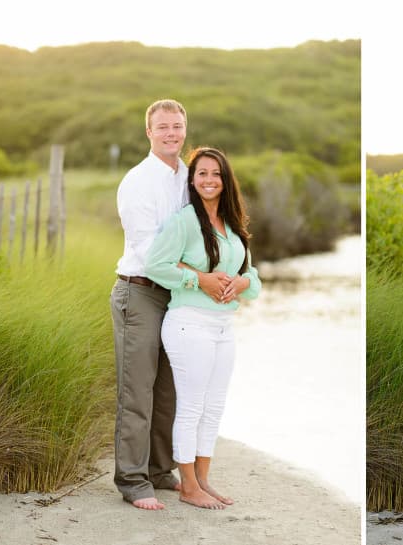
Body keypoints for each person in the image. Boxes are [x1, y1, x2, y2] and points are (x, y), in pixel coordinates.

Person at [143, 147, 261, 510]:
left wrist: (241, 284)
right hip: (187, 324)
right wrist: (200, 280)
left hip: (224, 327)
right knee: (192, 406)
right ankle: (188, 486)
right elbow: (155, 266)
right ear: (192, 181)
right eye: (202, 174)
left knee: (215, 407)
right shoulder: (183, 222)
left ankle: (204, 479)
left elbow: (253, 281)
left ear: (226, 181)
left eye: (216, 174)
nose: (209, 180)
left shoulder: (234, 225)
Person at [111, 98, 193, 510]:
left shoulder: (188, 177)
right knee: (137, 391)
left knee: (168, 390)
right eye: (163, 127)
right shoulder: (138, 181)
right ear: (149, 132)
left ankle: (161, 471)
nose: (171, 133)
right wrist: (198, 276)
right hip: (140, 291)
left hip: (176, 295)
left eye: (177, 126)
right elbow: (147, 249)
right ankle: (132, 479)